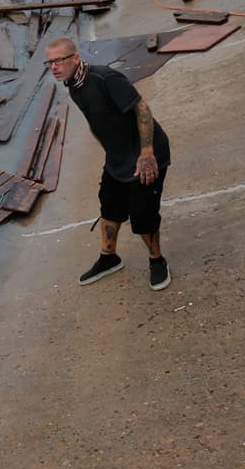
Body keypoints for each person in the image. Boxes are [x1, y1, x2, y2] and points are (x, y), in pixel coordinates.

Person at [45, 38, 172, 290]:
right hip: (117, 156)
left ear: (75, 58)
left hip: (145, 154)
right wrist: (110, 151)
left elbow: (142, 109)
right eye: (49, 63)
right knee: (109, 205)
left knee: (142, 213)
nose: (54, 67)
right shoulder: (74, 85)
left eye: (58, 60)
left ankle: (157, 261)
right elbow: (98, 122)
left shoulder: (105, 78)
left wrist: (147, 153)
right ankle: (109, 258)